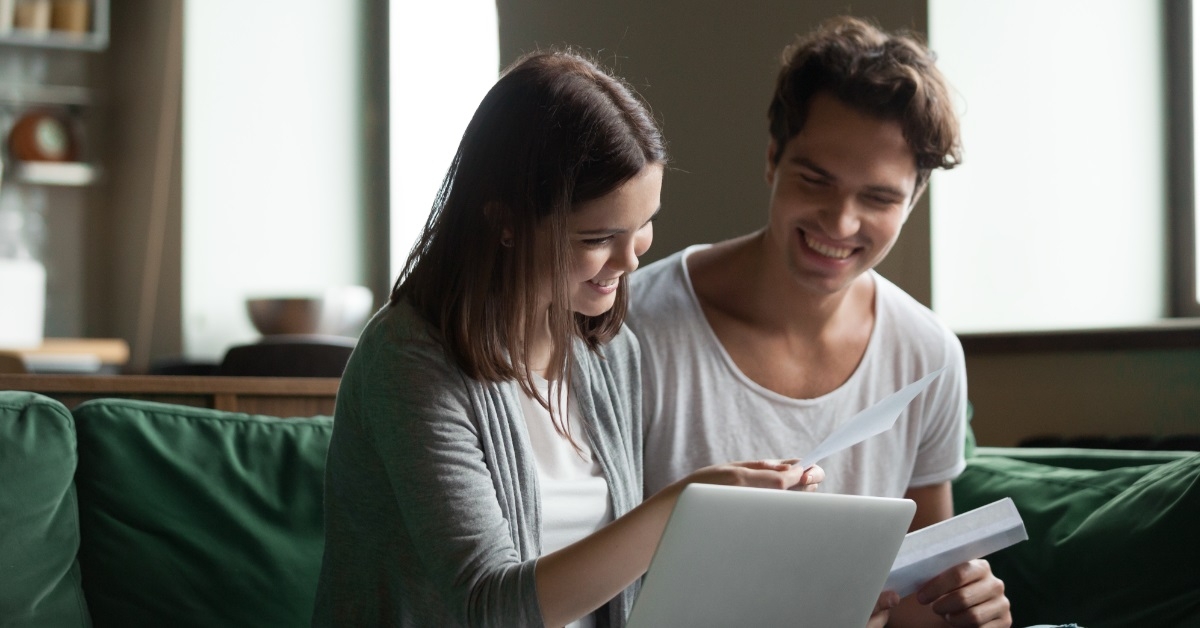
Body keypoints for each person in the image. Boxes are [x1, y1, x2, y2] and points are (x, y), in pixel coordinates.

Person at [311, 50, 825, 628]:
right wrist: (682, 508)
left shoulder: (610, 355)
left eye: (643, 225)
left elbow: (620, 583)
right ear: (505, 222)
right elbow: (490, 606)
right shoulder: (409, 361)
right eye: (599, 236)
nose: (629, 260)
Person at [626, 16, 1012, 628]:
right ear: (773, 157)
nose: (841, 222)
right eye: (815, 180)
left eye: (879, 198)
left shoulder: (928, 355)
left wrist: (965, 608)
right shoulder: (633, 326)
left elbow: (920, 594)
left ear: (913, 200)